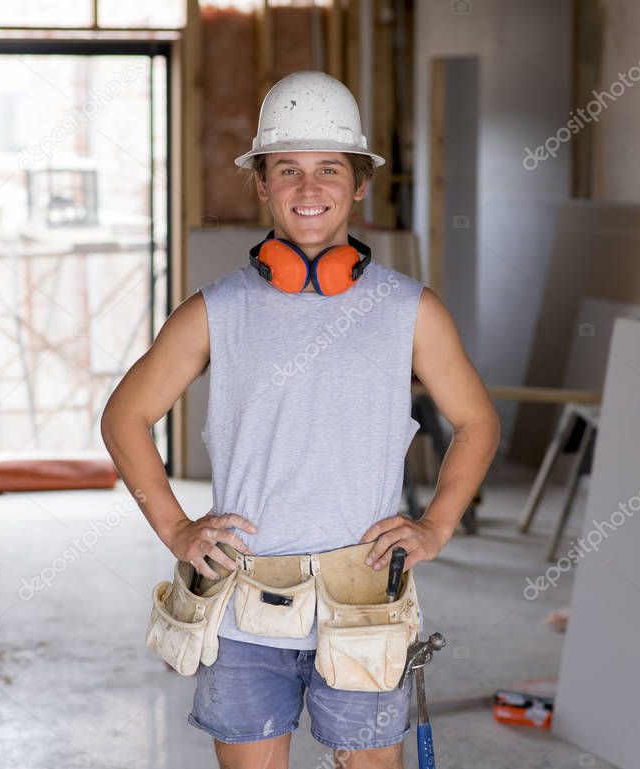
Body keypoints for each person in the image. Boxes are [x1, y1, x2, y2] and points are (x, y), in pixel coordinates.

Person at [101, 70, 499, 769]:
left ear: (359, 184)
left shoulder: (411, 310)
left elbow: (477, 421)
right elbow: (124, 416)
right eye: (288, 169)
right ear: (261, 183)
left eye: (328, 169)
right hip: (244, 605)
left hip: (363, 602)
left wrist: (436, 525)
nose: (309, 189)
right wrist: (175, 526)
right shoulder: (216, 311)